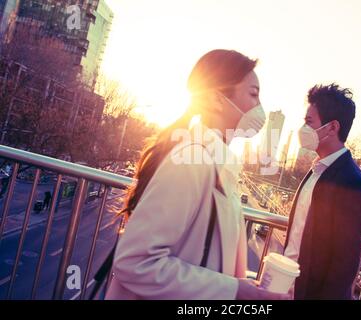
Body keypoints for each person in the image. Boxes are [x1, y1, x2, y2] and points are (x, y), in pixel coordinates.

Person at [105, 49, 288, 300]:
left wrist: (242, 288)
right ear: (215, 99)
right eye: (253, 94)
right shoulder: (191, 161)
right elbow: (135, 261)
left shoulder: (216, 163)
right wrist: (233, 291)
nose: (260, 107)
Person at [284, 83, 361, 300]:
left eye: (309, 122)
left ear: (332, 127)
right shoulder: (317, 170)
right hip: (289, 289)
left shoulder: (351, 181)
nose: (303, 129)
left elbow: (344, 266)